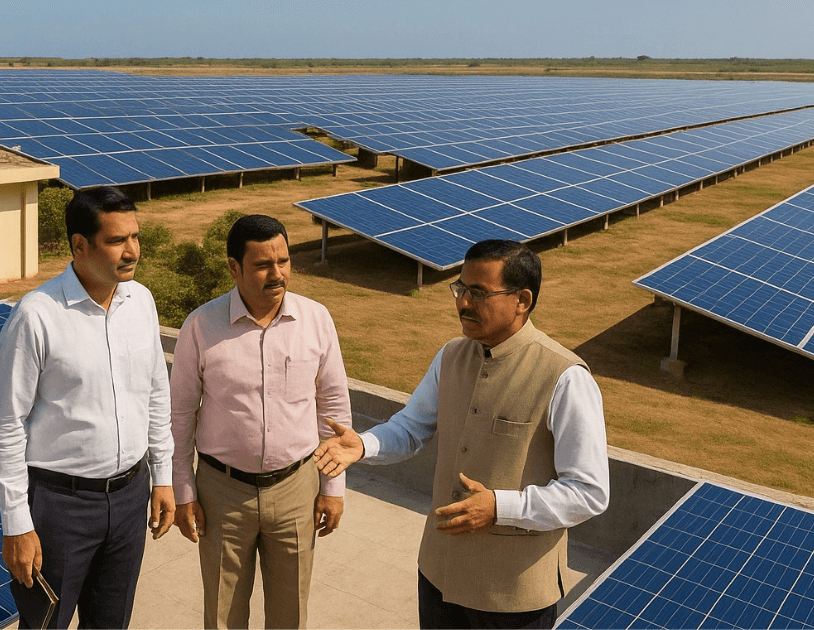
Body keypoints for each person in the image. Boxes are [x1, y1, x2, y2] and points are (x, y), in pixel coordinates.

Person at [314, 239, 609, 630]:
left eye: (479, 293)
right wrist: (364, 445)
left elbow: (589, 492)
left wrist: (500, 507)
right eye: (461, 289)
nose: (463, 303)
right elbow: (411, 426)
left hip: (512, 596)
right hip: (439, 577)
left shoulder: (565, 377)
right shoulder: (451, 355)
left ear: (522, 300)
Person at [0, 186, 175, 629]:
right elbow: (7, 425)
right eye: (116, 240)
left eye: (135, 236)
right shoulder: (37, 316)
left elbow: (155, 393)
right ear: (80, 245)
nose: (132, 251)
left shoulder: (141, 301)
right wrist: (16, 523)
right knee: (46, 623)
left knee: (111, 622)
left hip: (130, 498)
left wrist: (163, 476)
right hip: (60, 507)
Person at [170, 214, 352, 629]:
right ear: (234, 268)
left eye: (284, 261)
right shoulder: (201, 326)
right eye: (263, 265)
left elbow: (334, 410)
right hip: (222, 494)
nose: (278, 274)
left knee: (290, 616)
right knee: (223, 616)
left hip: (296, 489)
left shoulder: (316, 320)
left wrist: (333, 488)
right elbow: (179, 416)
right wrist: (184, 491)